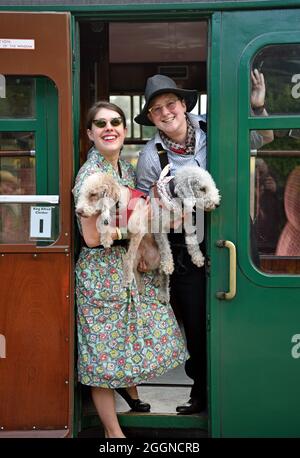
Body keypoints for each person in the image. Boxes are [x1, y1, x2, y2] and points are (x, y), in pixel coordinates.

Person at [135, 72, 273, 415]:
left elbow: (263, 138)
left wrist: (258, 106)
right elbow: (144, 208)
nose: (166, 113)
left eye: (170, 104)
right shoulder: (151, 156)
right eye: (156, 110)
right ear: (151, 118)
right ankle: (202, 392)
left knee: (243, 310)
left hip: (231, 231)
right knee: (195, 321)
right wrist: (163, 210)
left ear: (183, 105)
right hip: (184, 244)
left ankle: (245, 384)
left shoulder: (216, 125)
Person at [72, 101, 188, 438]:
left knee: (131, 343)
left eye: (116, 122)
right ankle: (114, 435)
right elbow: (92, 238)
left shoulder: (124, 167)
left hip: (125, 273)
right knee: (102, 361)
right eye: (101, 124)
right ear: (90, 133)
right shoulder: (92, 175)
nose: (110, 128)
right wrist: (136, 229)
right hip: (101, 274)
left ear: (124, 130)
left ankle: (129, 397)